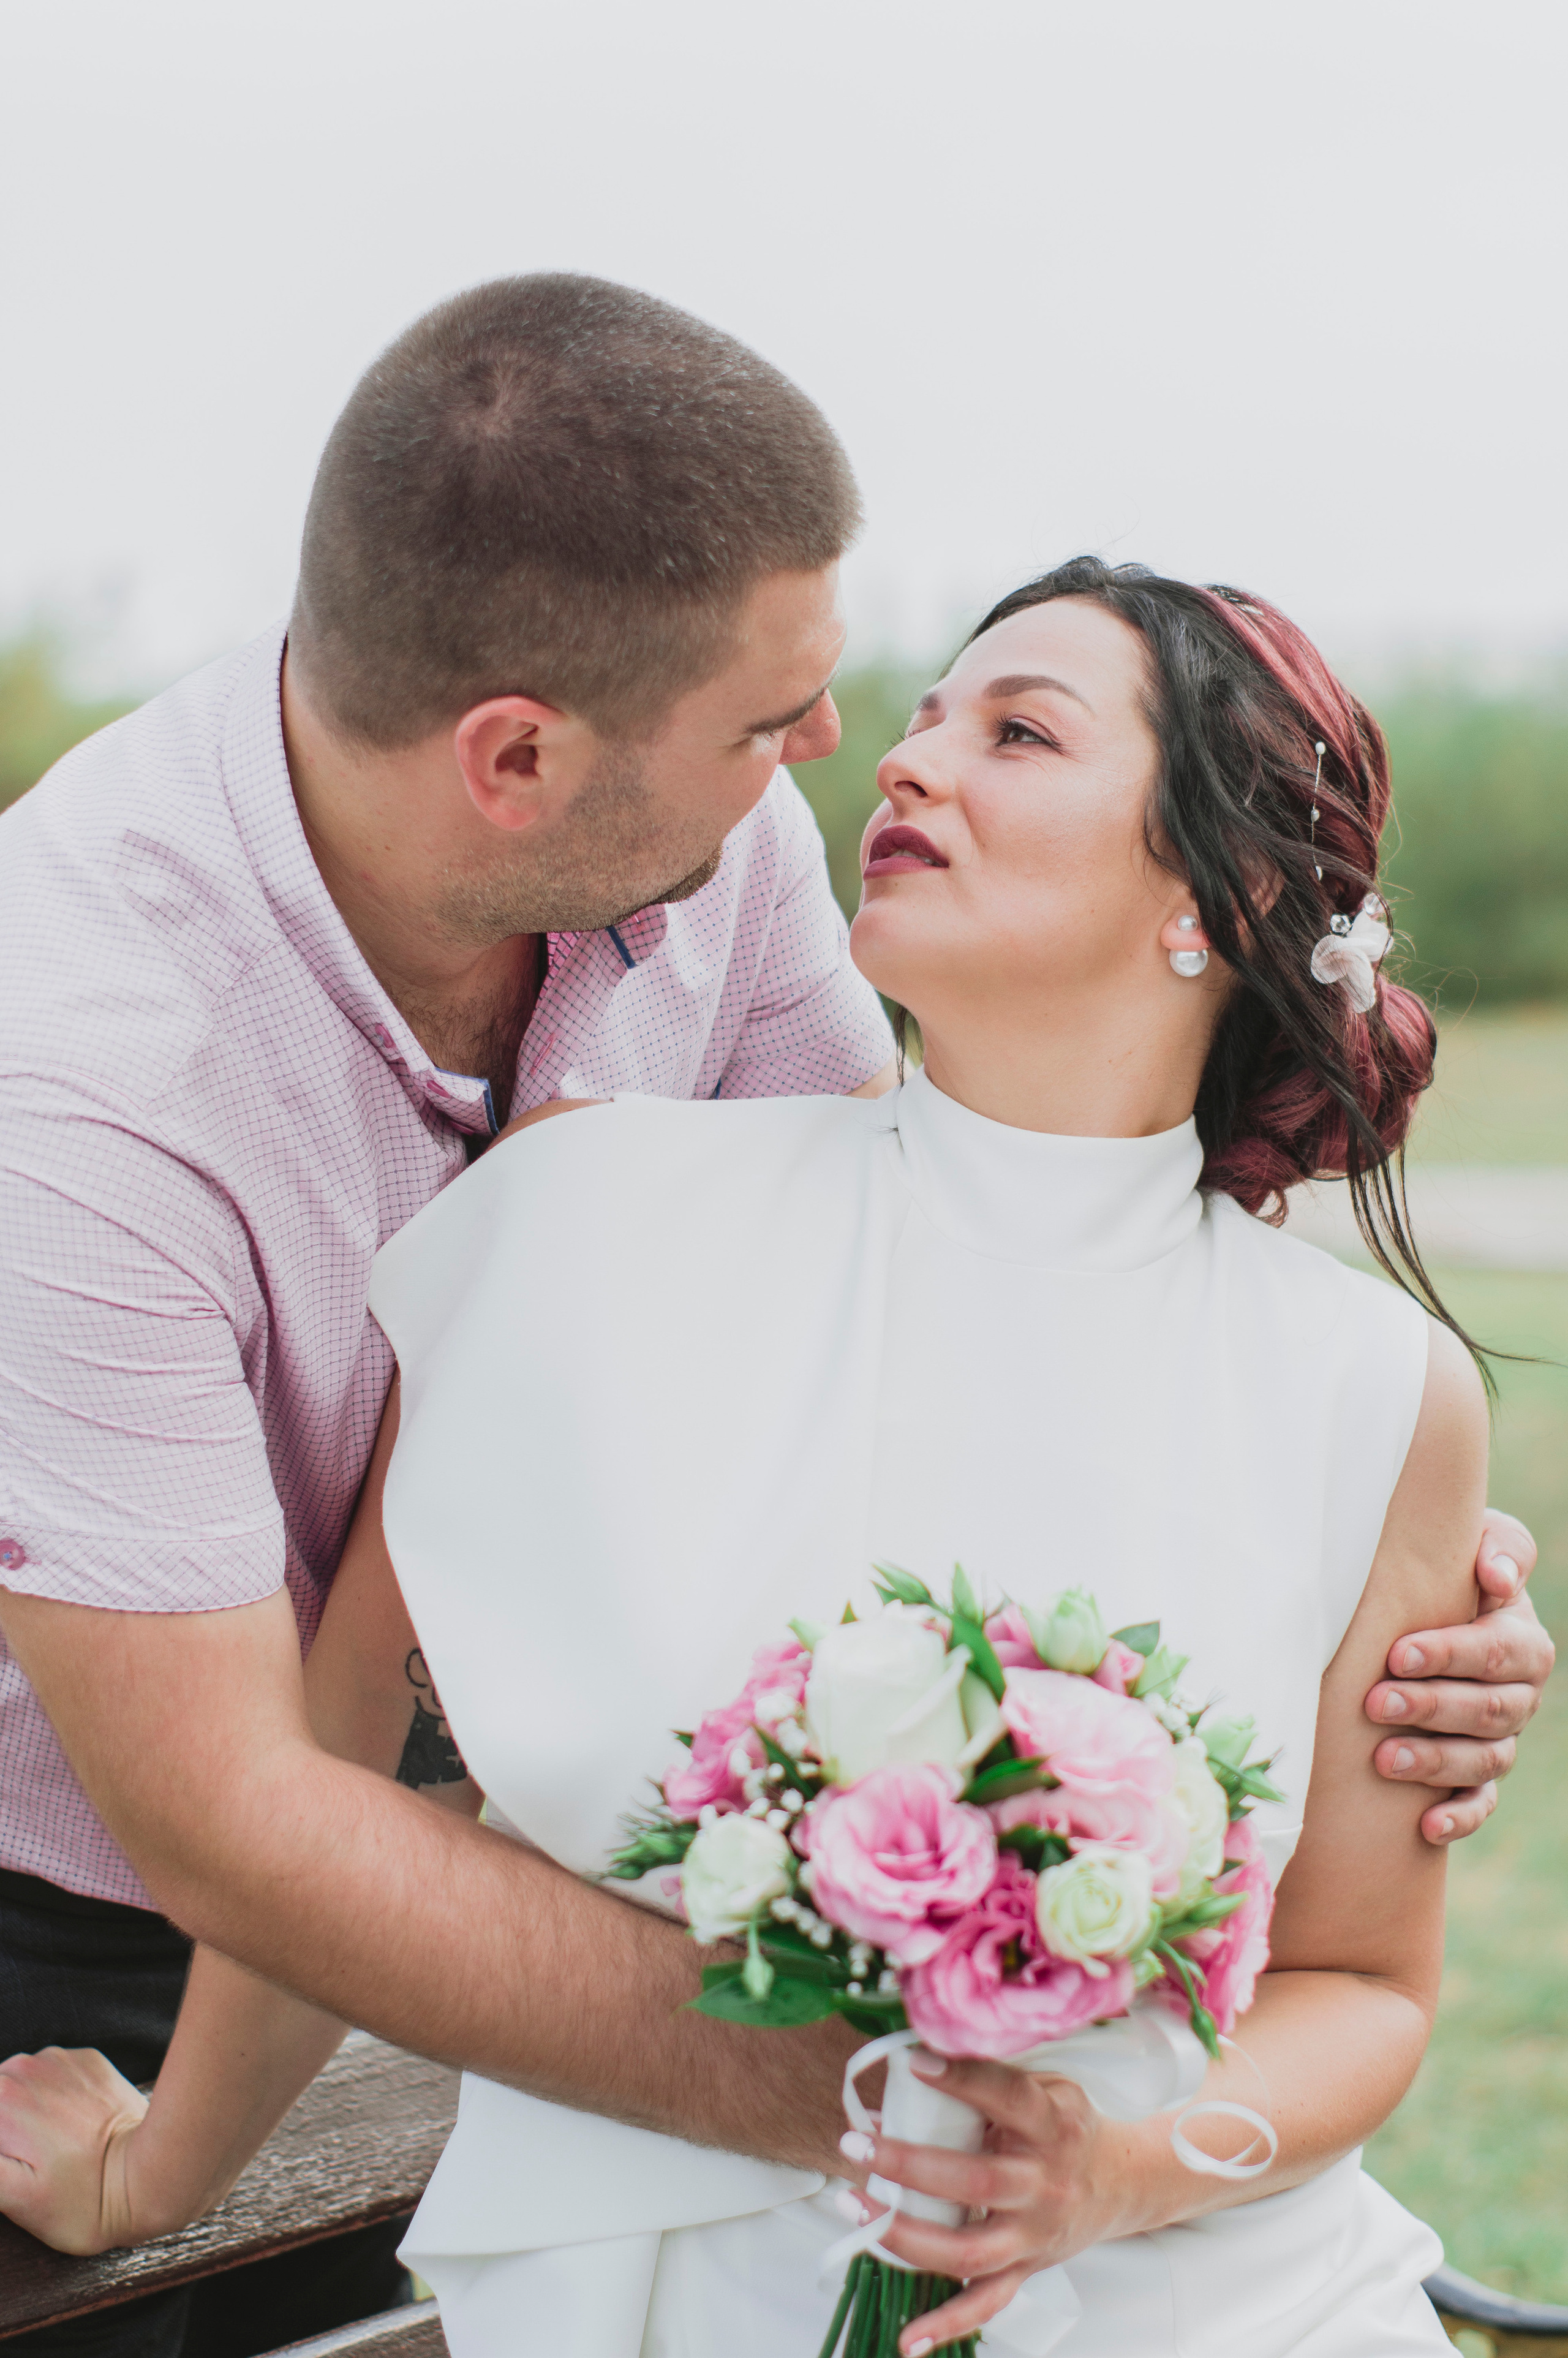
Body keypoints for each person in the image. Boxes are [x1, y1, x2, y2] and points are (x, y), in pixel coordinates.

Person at [0, 281, 1547, 2349]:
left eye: (1010, 728)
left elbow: (1362, 1983)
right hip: (155, 1906)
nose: (861, 755)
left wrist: (1133, 2153)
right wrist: (950, 2141)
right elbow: (289, 1798)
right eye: (858, 715)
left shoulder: (1372, 1386)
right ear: (517, 760)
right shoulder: (151, 1093)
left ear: (1215, 898)